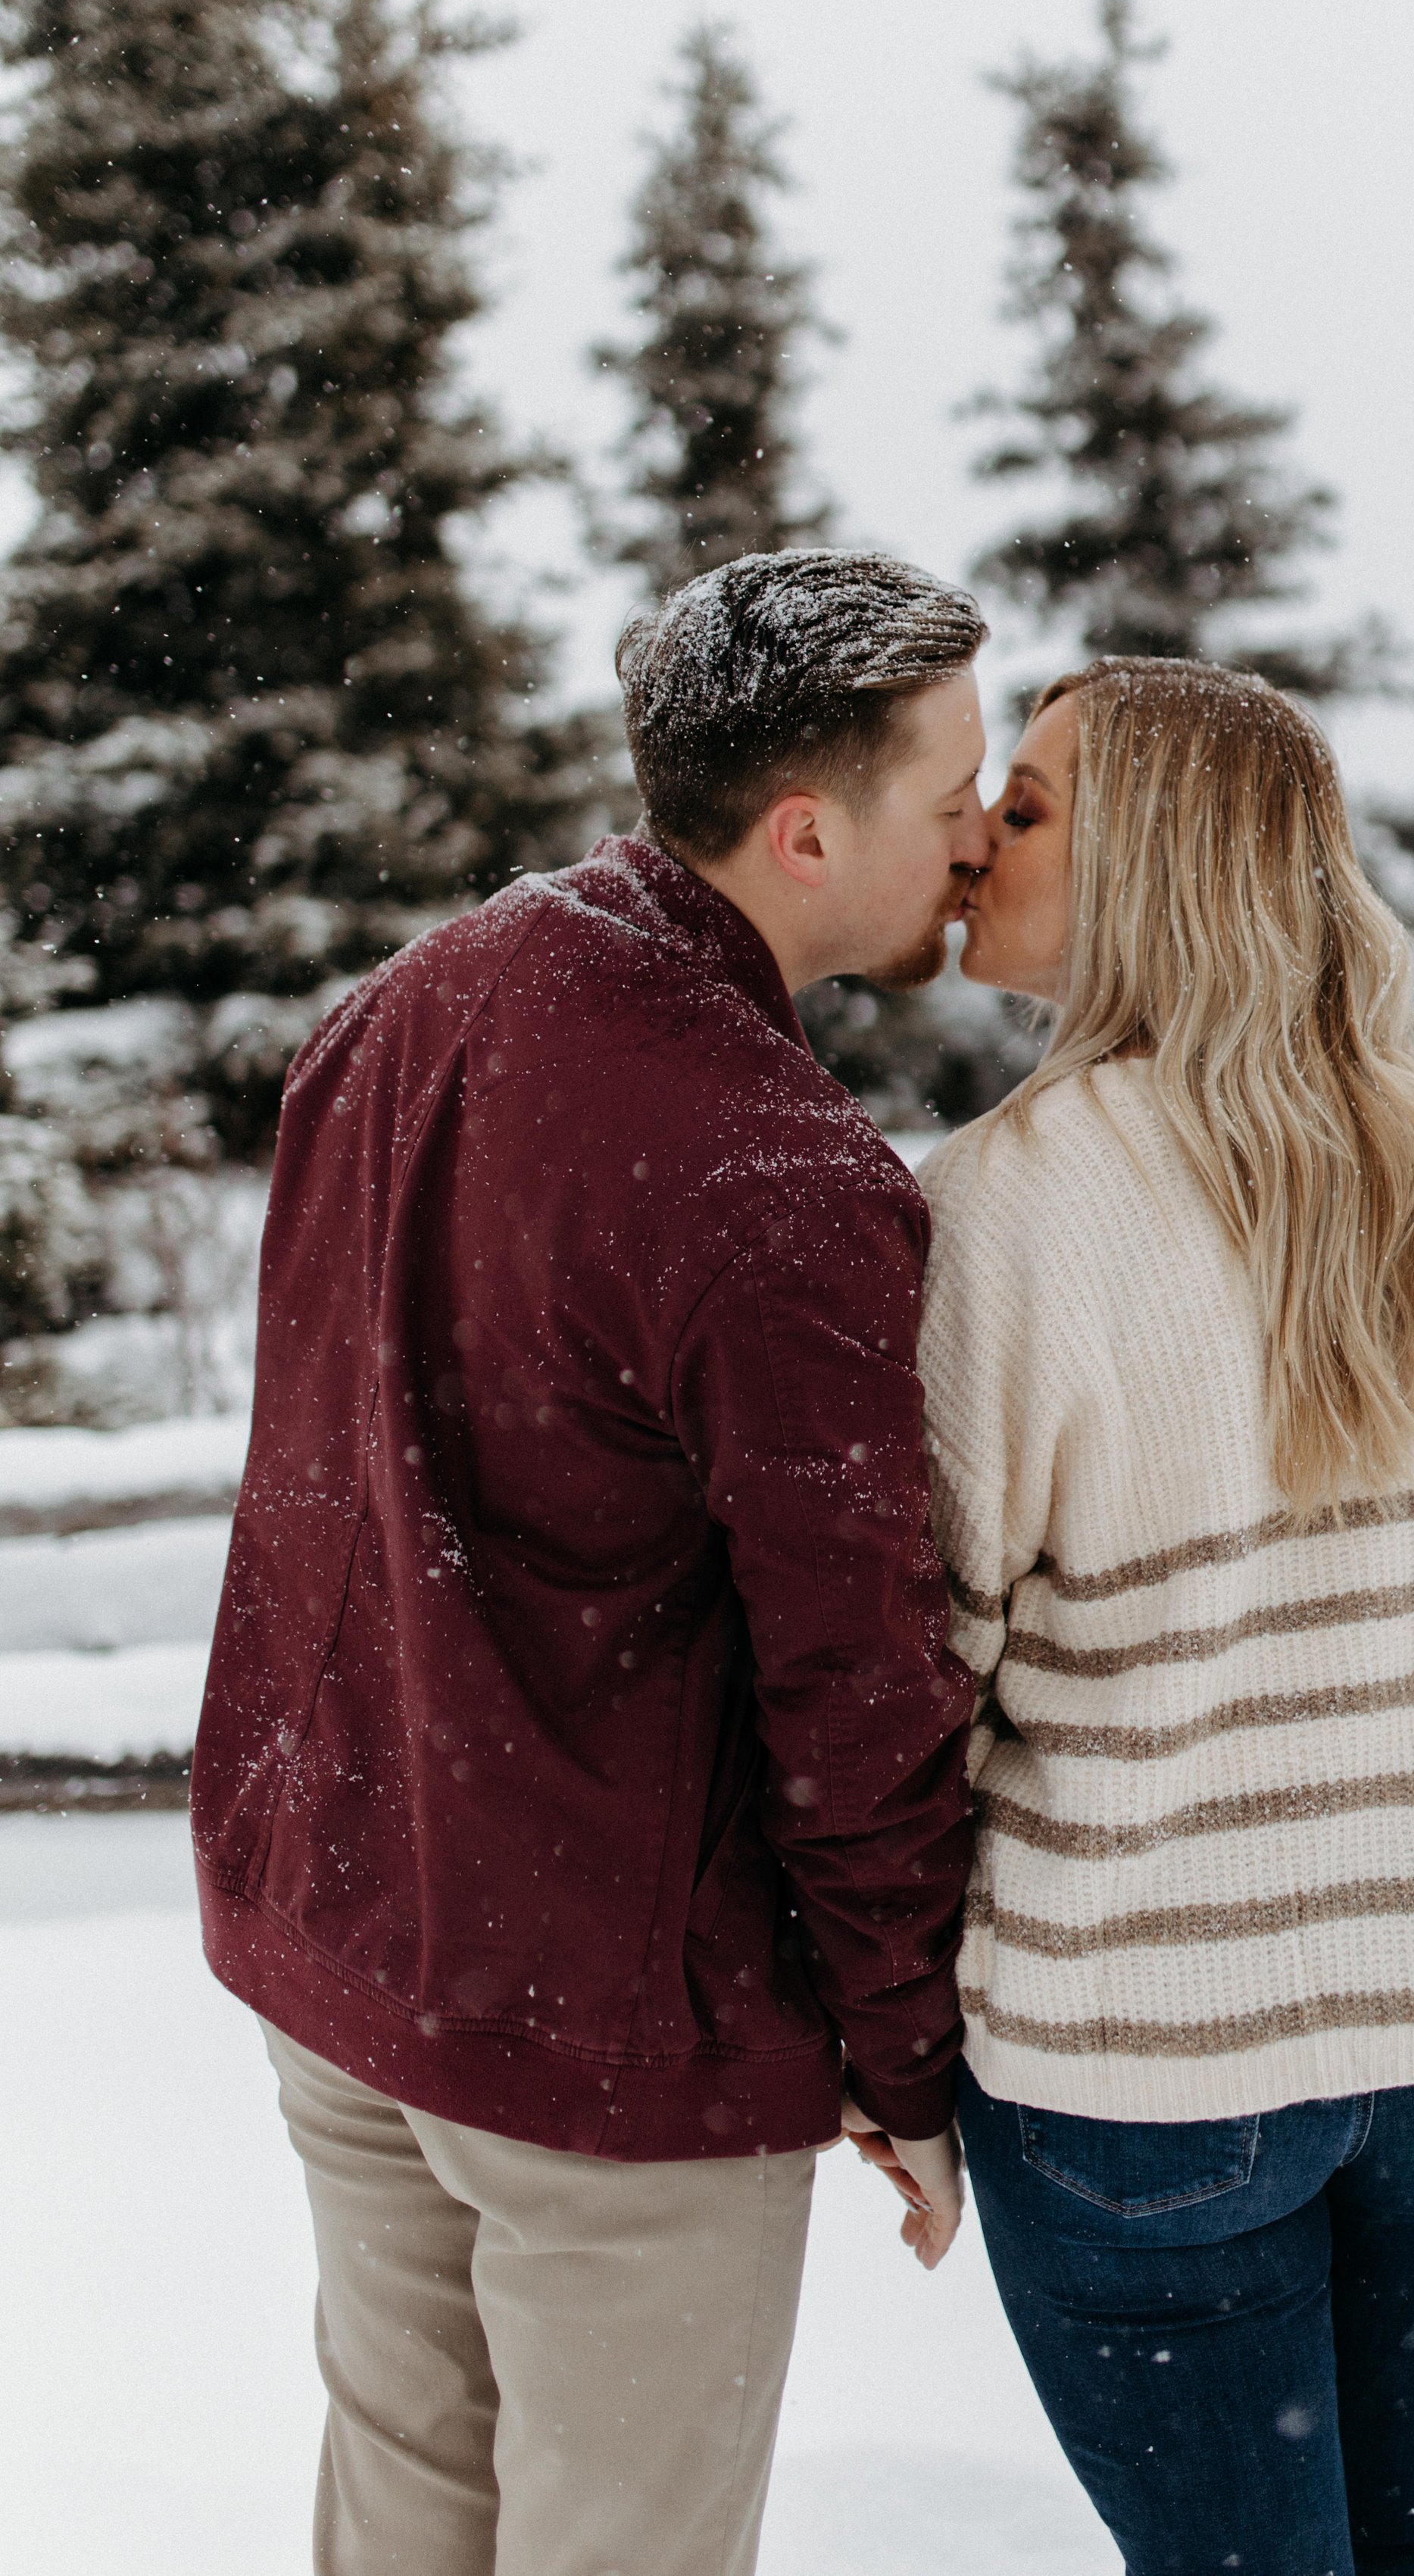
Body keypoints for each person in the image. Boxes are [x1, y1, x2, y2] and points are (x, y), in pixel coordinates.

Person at [192, 549, 989, 2576]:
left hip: (349, 1938)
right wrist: (903, 2049)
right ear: (807, 832)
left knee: (402, 2526)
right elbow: (856, 1680)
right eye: (953, 788)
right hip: (602, 2040)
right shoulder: (775, 1172)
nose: (978, 833)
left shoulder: (398, 1010)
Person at [918, 659, 1414, 2576]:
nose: (978, 837)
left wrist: (886, 2048)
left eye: (1035, 806)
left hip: (1152, 2058)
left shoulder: (1001, 1206)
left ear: (1158, 866)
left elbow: (926, 1671)